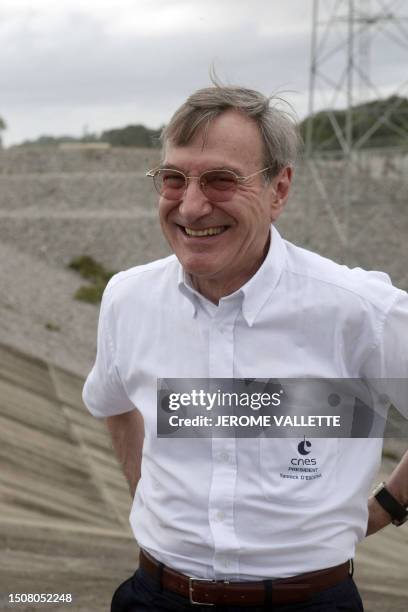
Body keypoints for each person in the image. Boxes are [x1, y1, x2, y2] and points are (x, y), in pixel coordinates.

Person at [82, 82, 408, 611]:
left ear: (279, 190)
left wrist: (390, 502)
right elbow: (112, 404)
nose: (190, 205)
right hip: (155, 595)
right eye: (173, 179)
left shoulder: (359, 309)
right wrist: (151, 500)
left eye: (220, 180)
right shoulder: (128, 298)